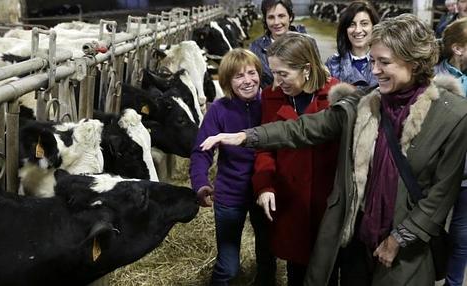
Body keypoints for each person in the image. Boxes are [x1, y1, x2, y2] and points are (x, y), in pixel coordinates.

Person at [200, 14, 467, 286]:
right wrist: (247, 136)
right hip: (358, 235)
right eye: (373, 61)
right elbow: (305, 128)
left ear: (414, 62)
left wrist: (400, 238)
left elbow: (441, 194)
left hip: (406, 247)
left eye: (384, 62)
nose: (374, 70)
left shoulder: (452, 116)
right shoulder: (365, 102)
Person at [252, 32, 339, 286]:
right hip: (291, 199)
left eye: (283, 74)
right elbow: (265, 147)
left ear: (307, 69)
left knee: (328, 273)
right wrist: (265, 186)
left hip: (326, 201)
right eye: (274, 73)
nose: (276, 82)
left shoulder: (336, 95)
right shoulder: (272, 96)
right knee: (296, 270)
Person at [189, 48, 276, 286]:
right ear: (227, 81)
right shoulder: (219, 109)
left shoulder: (271, 102)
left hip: (266, 192)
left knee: (268, 258)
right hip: (230, 193)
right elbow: (201, 151)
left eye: (252, 73)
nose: (248, 81)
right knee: (228, 266)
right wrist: (201, 183)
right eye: (239, 76)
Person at [435, 18, 467, 286]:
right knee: (429, 229)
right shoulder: (434, 78)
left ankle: (453, 284)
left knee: (461, 236)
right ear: (458, 48)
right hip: (438, 172)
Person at [249, 0, 306, 89]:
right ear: (265, 19)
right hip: (271, 100)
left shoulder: (306, 43)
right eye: (271, 17)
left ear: (290, 17)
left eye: (281, 16)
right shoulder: (255, 48)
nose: (276, 22)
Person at [325, 1, 379, 92]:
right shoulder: (333, 64)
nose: (357, 30)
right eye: (351, 24)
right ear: (345, 29)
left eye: (364, 23)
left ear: (374, 26)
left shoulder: (385, 62)